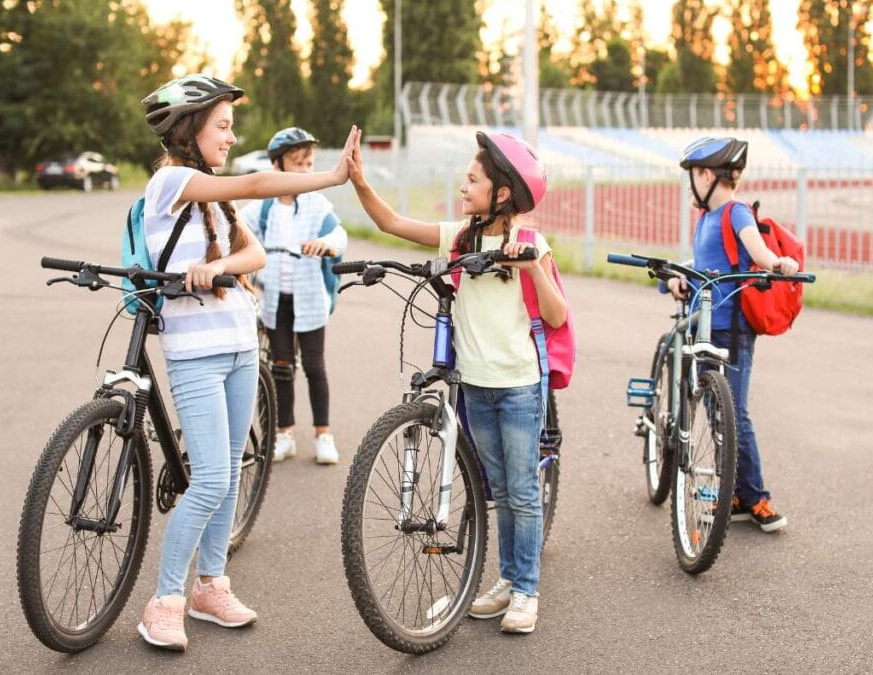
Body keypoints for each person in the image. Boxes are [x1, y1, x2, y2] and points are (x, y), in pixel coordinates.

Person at [136, 73, 356, 651]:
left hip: (237, 343)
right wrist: (332, 175)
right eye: (223, 126)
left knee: (230, 470)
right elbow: (259, 183)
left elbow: (253, 251)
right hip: (196, 353)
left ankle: (212, 586)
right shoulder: (172, 182)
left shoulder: (210, 196)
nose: (232, 137)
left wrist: (226, 268)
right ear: (189, 131)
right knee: (208, 480)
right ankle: (165, 600)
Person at [346, 128, 566, 634]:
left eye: (472, 180)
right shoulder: (461, 237)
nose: (463, 186)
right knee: (500, 493)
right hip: (475, 386)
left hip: (517, 386)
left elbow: (554, 316)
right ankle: (509, 581)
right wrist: (358, 180)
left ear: (502, 192)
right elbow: (392, 222)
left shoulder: (530, 242)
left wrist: (531, 268)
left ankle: (526, 590)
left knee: (522, 491)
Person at [666, 136, 799, 533]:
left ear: (708, 175)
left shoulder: (735, 212)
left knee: (734, 413)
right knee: (716, 411)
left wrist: (778, 263)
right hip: (704, 324)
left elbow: (756, 250)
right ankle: (736, 495)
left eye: (693, 176)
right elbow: (703, 265)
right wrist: (675, 279)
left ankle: (756, 497)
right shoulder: (705, 220)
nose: (691, 185)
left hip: (733, 329)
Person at [241, 127, 347, 465]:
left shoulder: (317, 204)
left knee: (315, 367)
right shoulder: (263, 208)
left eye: (309, 164)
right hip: (275, 301)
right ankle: (284, 433)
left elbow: (339, 233)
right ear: (278, 167)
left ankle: (323, 434)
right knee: (281, 366)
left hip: (309, 299)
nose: (304, 171)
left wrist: (328, 244)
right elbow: (236, 229)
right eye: (297, 164)